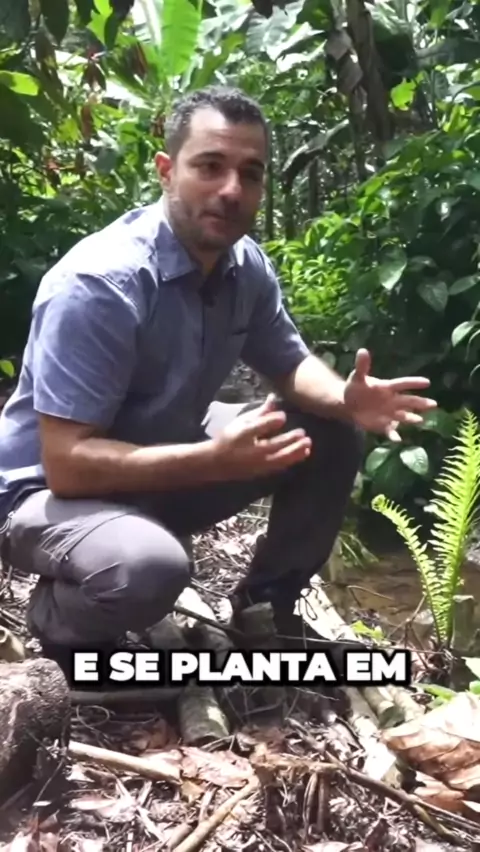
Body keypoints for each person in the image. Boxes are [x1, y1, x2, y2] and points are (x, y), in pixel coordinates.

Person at [0, 86, 436, 681]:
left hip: (161, 455)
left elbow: (287, 360)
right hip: (47, 494)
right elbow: (67, 464)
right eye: (209, 166)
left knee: (327, 431)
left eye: (249, 174)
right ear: (166, 171)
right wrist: (212, 461)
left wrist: (346, 398)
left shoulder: (242, 264)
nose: (231, 190)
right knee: (147, 568)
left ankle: (267, 610)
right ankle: (60, 621)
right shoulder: (100, 285)